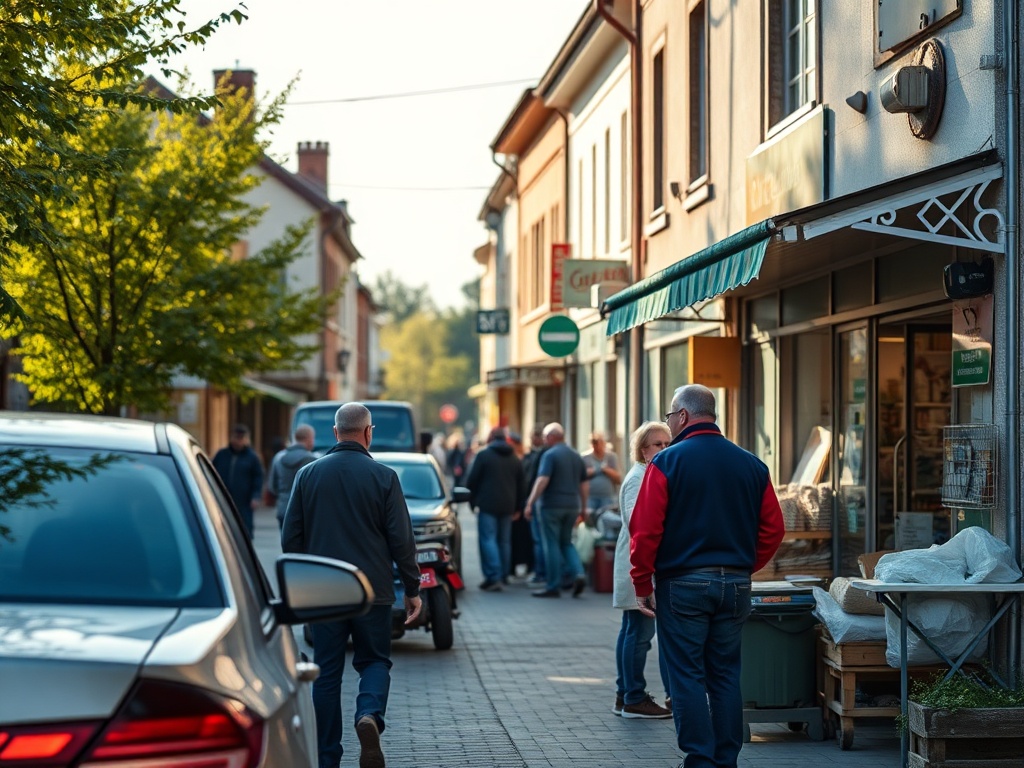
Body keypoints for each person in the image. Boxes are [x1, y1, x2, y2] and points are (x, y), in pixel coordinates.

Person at [630, 384, 785, 768]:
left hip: (681, 584)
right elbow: (773, 529)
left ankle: (699, 760)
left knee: (686, 676)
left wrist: (641, 582)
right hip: (734, 584)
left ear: (682, 416)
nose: (670, 423)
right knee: (725, 675)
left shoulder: (666, 463)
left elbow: (645, 530)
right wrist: (743, 567)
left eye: (670, 416)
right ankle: (726, 759)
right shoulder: (752, 464)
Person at [282, 403, 422, 768]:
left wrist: (303, 584)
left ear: (334, 432)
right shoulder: (385, 477)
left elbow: (289, 537)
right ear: (368, 432)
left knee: (325, 673)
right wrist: (412, 587)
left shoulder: (307, 475)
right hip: (372, 590)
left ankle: (327, 757)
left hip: (324, 592)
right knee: (374, 660)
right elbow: (401, 540)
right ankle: (369, 715)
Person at [612, 421, 674, 720]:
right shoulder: (639, 478)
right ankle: (634, 697)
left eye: (667, 443)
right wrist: (644, 576)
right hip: (639, 566)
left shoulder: (649, 474)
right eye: (657, 444)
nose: (664, 448)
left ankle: (626, 694)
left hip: (639, 565)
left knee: (632, 631)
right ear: (642, 449)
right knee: (638, 633)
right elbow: (643, 529)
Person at [524, 423, 588, 598]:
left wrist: (530, 502)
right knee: (567, 542)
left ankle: (553, 585)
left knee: (551, 544)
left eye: (545, 437)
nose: (544, 441)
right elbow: (584, 484)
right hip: (572, 506)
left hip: (551, 506)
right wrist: (583, 507)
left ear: (551, 437)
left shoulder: (549, 455)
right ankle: (579, 573)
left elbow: (542, 480)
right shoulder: (576, 455)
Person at [464, 426, 525, 591]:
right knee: (504, 541)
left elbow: (472, 480)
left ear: (491, 438)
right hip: (508, 506)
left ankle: (493, 576)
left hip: (487, 504)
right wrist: (519, 507)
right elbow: (522, 485)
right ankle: (503, 575)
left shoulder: (483, 455)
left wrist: (471, 501)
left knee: (488, 540)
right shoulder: (514, 458)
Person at [212, 423, 264, 538]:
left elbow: (258, 477)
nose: (238, 441)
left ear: (246, 440)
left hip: (244, 501)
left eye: (241, 438)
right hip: (223, 498)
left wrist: (255, 496)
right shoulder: (222, 455)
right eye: (236, 437)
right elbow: (212, 472)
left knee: (245, 530)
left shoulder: (252, 457)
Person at [266, 424, 317, 530]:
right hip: (306, 512)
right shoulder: (314, 461)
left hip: (284, 509)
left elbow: (272, 486)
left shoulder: (279, 457)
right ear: (309, 439)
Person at [520, 424, 547, 586]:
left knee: (540, 540)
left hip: (539, 502)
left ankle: (541, 573)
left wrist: (529, 502)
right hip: (542, 501)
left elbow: (535, 480)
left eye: (532, 437)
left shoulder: (541, 455)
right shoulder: (537, 454)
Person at [582, 430, 622, 519]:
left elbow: (618, 478)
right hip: (590, 498)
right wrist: (590, 472)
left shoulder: (611, 457)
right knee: (591, 520)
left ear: (603, 443)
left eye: (599, 443)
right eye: (594, 443)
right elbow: (579, 477)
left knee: (606, 519)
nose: (597, 446)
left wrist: (606, 470)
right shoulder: (585, 457)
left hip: (607, 497)